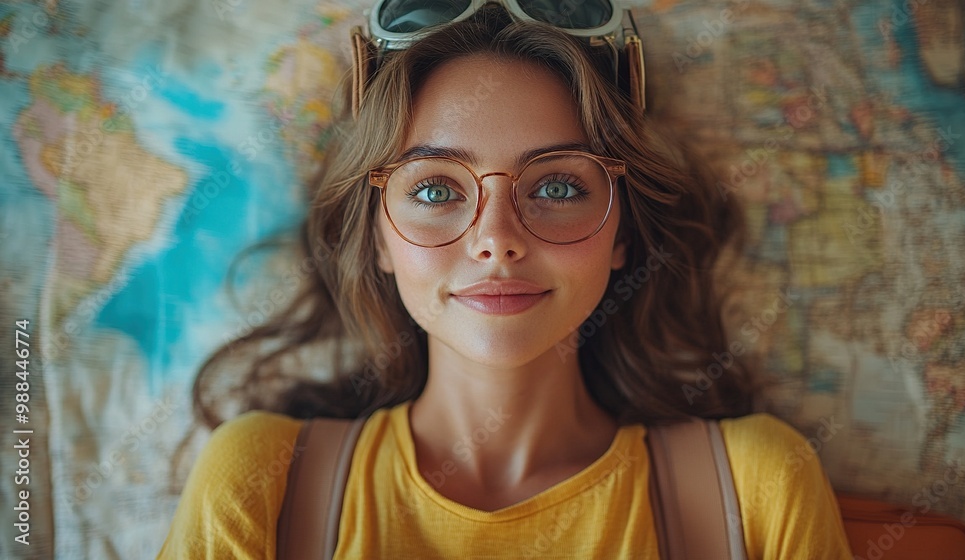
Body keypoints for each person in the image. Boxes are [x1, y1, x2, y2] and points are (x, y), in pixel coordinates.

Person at [157, 1, 852, 558]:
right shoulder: (261, 483)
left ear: (624, 233)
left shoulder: (756, 488)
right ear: (377, 237)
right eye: (435, 190)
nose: (497, 241)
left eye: (556, 186)